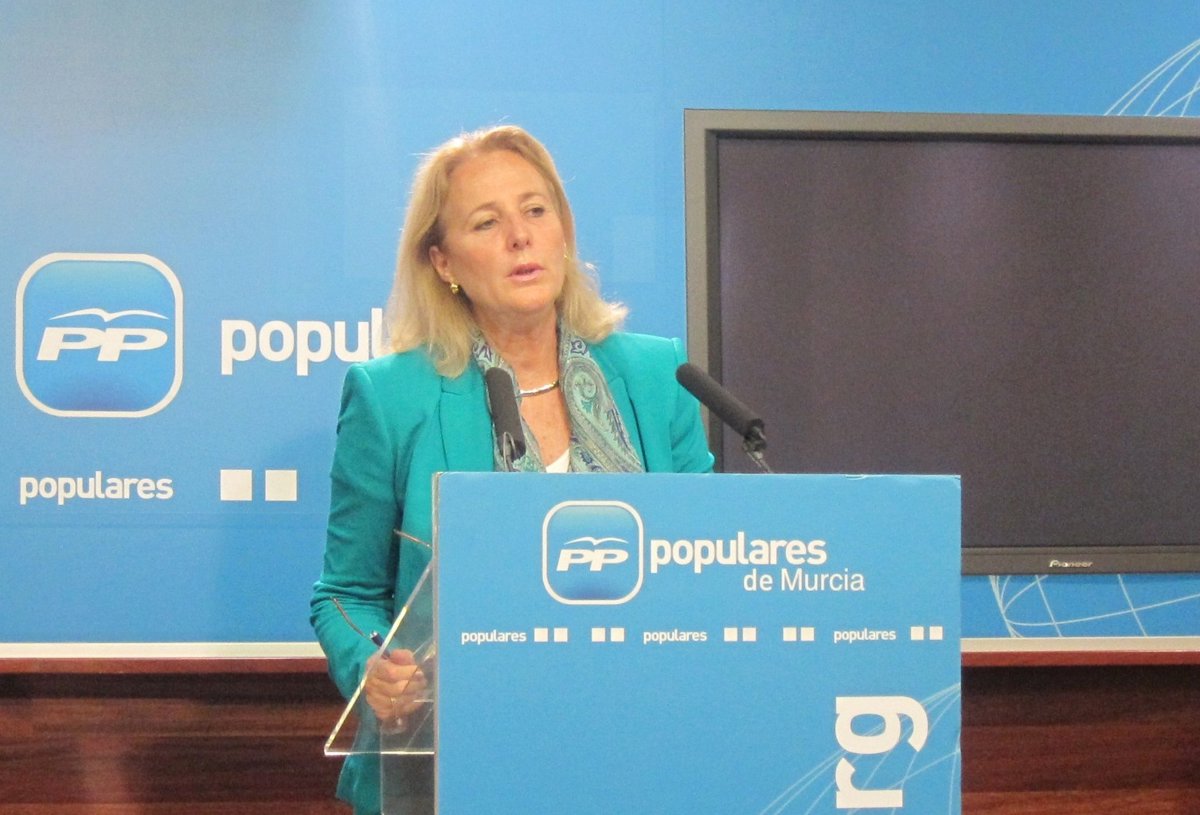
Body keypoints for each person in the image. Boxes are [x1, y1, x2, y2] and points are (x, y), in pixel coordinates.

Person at [309, 124, 714, 814]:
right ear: (443, 262)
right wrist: (375, 663)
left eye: (535, 210)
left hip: (637, 748)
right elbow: (345, 592)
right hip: (456, 756)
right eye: (486, 222)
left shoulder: (657, 374)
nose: (520, 237)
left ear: (564, 231)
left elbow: (703, 560)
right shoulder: (392, 397)